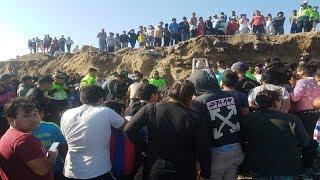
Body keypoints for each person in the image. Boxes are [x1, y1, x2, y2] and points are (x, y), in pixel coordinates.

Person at [124, 79, 211, 180]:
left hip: (154, 167)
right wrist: (205, 174)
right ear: (190, 97)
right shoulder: (195, 116)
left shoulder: (151, 108)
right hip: (184, 170)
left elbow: (128, 130)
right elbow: (203, 148)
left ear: (170, 93)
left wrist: (145, 148)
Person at [60, 85, 126, 179]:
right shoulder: (105, 111)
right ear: (102, 100)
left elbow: (65, 138)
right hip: (98, 172)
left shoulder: (66, 114)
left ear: (81, 99)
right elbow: (128, 126)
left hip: (70, 171)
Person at [189, 69, 244, 180]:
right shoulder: (232, 97)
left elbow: (199, 131)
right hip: (236, 148)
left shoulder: (199, 102)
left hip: (216, 153)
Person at [242, 90, 309, 179]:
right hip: (287, 167)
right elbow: (305, 142)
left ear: (257, 103)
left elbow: (242, 141)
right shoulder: (291, 119)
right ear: (276, 102)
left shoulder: (248, 119)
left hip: (259, 167)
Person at [0, 98, 57, 179]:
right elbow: (42, 170)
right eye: (26, 115)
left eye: (35, 114)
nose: (34, 119)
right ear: (11, 120)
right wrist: (53, 157)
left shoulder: (7, 136)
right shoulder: (24, 139)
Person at [32, 109, 68, 179]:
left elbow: (63, 147)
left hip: (48, 171)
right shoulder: (52, 127)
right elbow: (64, 147)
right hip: (54, 170)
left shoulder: (52, 127)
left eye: (34, 114)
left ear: (41, 114)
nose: (32, 118)